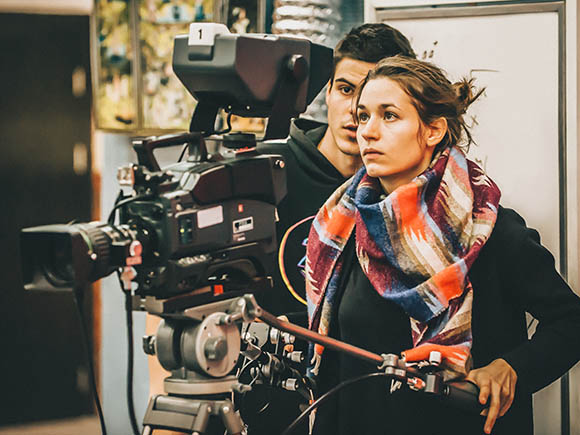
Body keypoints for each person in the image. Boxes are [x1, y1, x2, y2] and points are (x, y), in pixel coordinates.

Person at [305, 55, 580, 435]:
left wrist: (513, 367)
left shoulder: (490, 231)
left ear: (433, 130)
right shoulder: (342, 228)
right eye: (363, 115)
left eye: (389, 116)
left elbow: (571, 322)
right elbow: (335, 368)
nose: (366, 130)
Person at [257, 23, 415, 320]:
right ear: (327, 92)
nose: (356, 109)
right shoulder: (267, 168)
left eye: (378, 100)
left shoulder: (410, 189)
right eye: (345, 89)